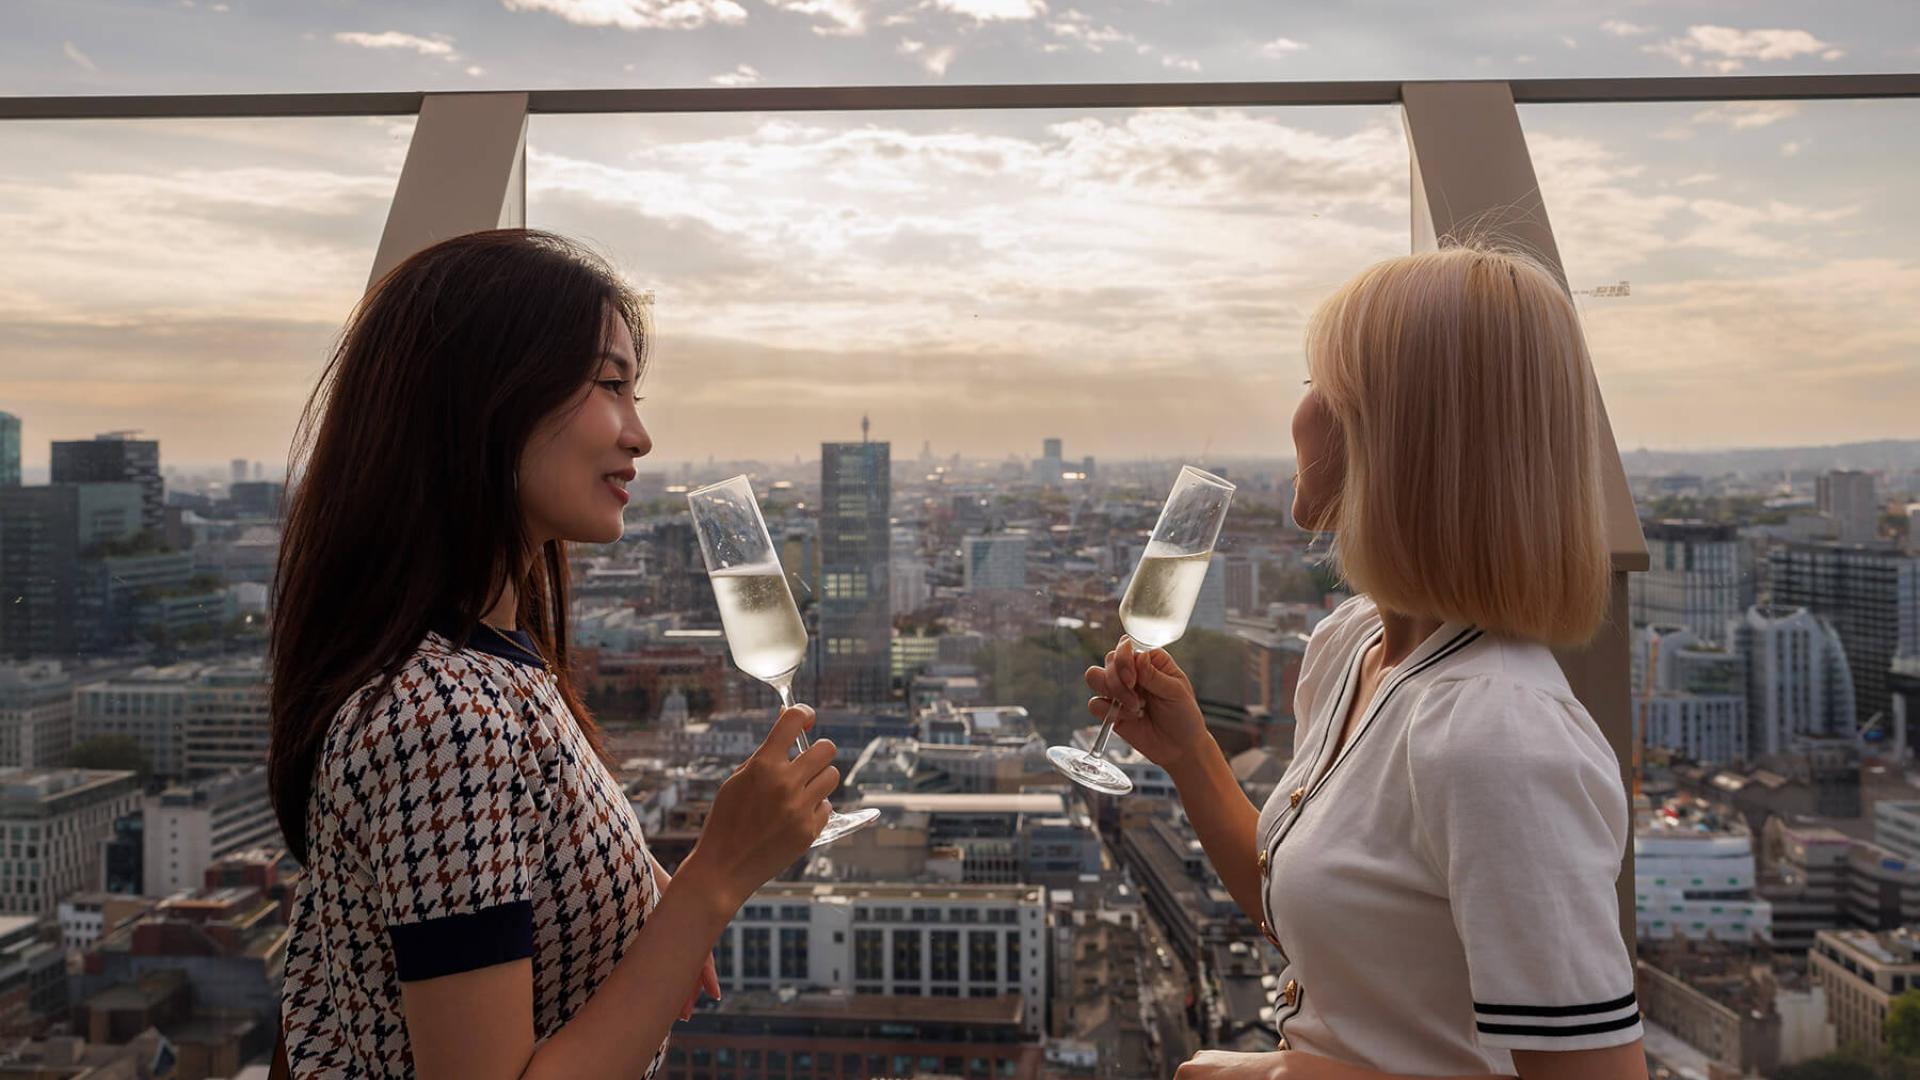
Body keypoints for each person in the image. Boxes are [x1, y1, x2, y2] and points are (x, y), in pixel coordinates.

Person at [268, 229, 838, 1079]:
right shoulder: (445, 718)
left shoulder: (486, 665)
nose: (640, 436)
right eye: (612, 385)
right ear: (487, 396)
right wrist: (711, 878)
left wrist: (627, 893)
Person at [1089, 246, 1648, 1079]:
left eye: (1315, 384)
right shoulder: (1351, 645)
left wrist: (1288, 1075)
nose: (1297, 415)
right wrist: (1192, 757)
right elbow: (1322, 922)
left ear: (1391, 432)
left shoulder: (1499, 739)